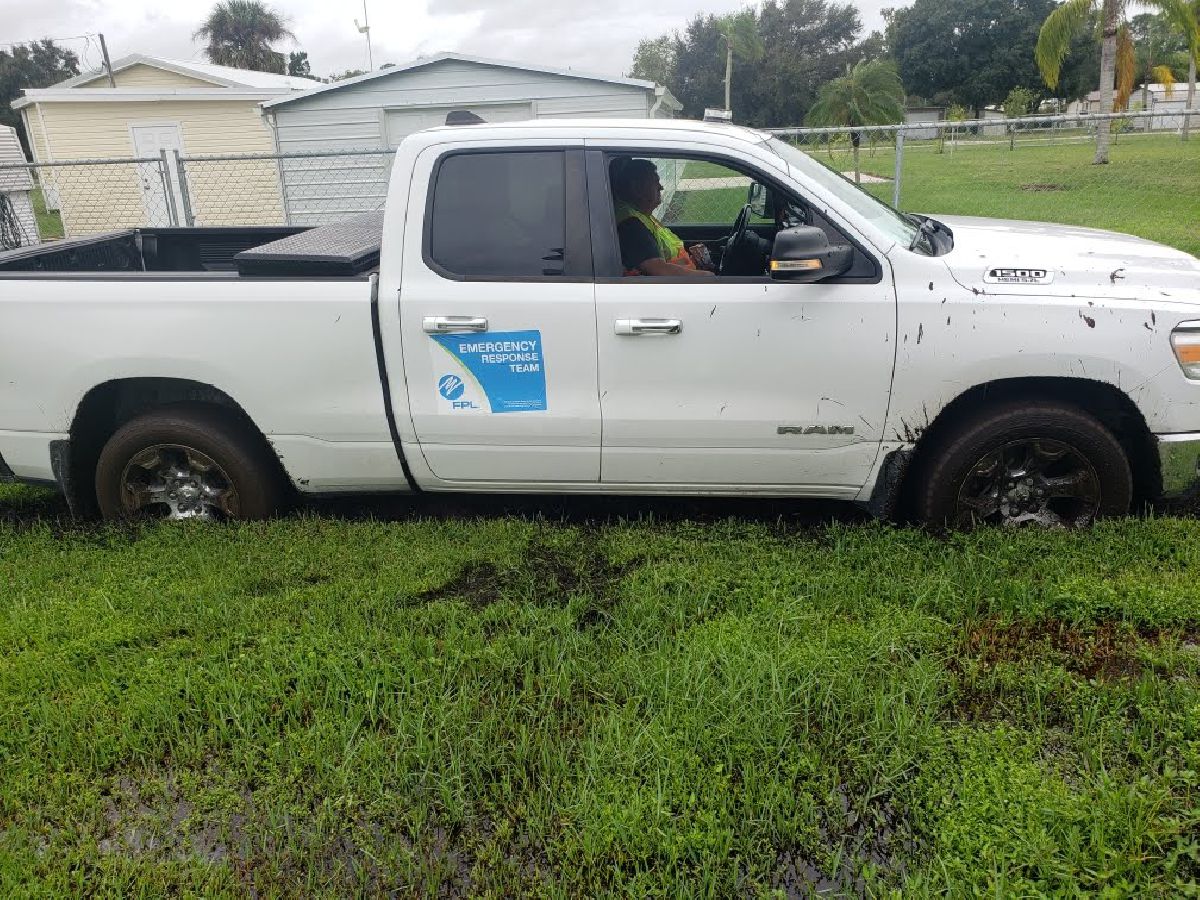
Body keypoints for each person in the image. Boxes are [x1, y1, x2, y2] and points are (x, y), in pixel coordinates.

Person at [610, 158, 715, 277]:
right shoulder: (631, 225)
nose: (661, 187)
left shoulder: (641, 215)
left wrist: (690, 257)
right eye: (655, 182)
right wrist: (707, 277)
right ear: (637, 188)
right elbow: (658, 270)